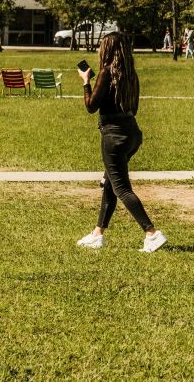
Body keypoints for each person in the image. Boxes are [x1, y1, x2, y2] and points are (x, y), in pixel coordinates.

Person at [76, 32, 166, 253]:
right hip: (132, 133)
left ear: (107, 49)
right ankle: (98, 234)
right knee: (110, 183)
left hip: (113, 137)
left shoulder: (106, 73)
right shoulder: (130, 75)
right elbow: (133, 108)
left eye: (101, 45)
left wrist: (86, 82)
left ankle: (151, 233)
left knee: (122, 189)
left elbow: (91, 106)